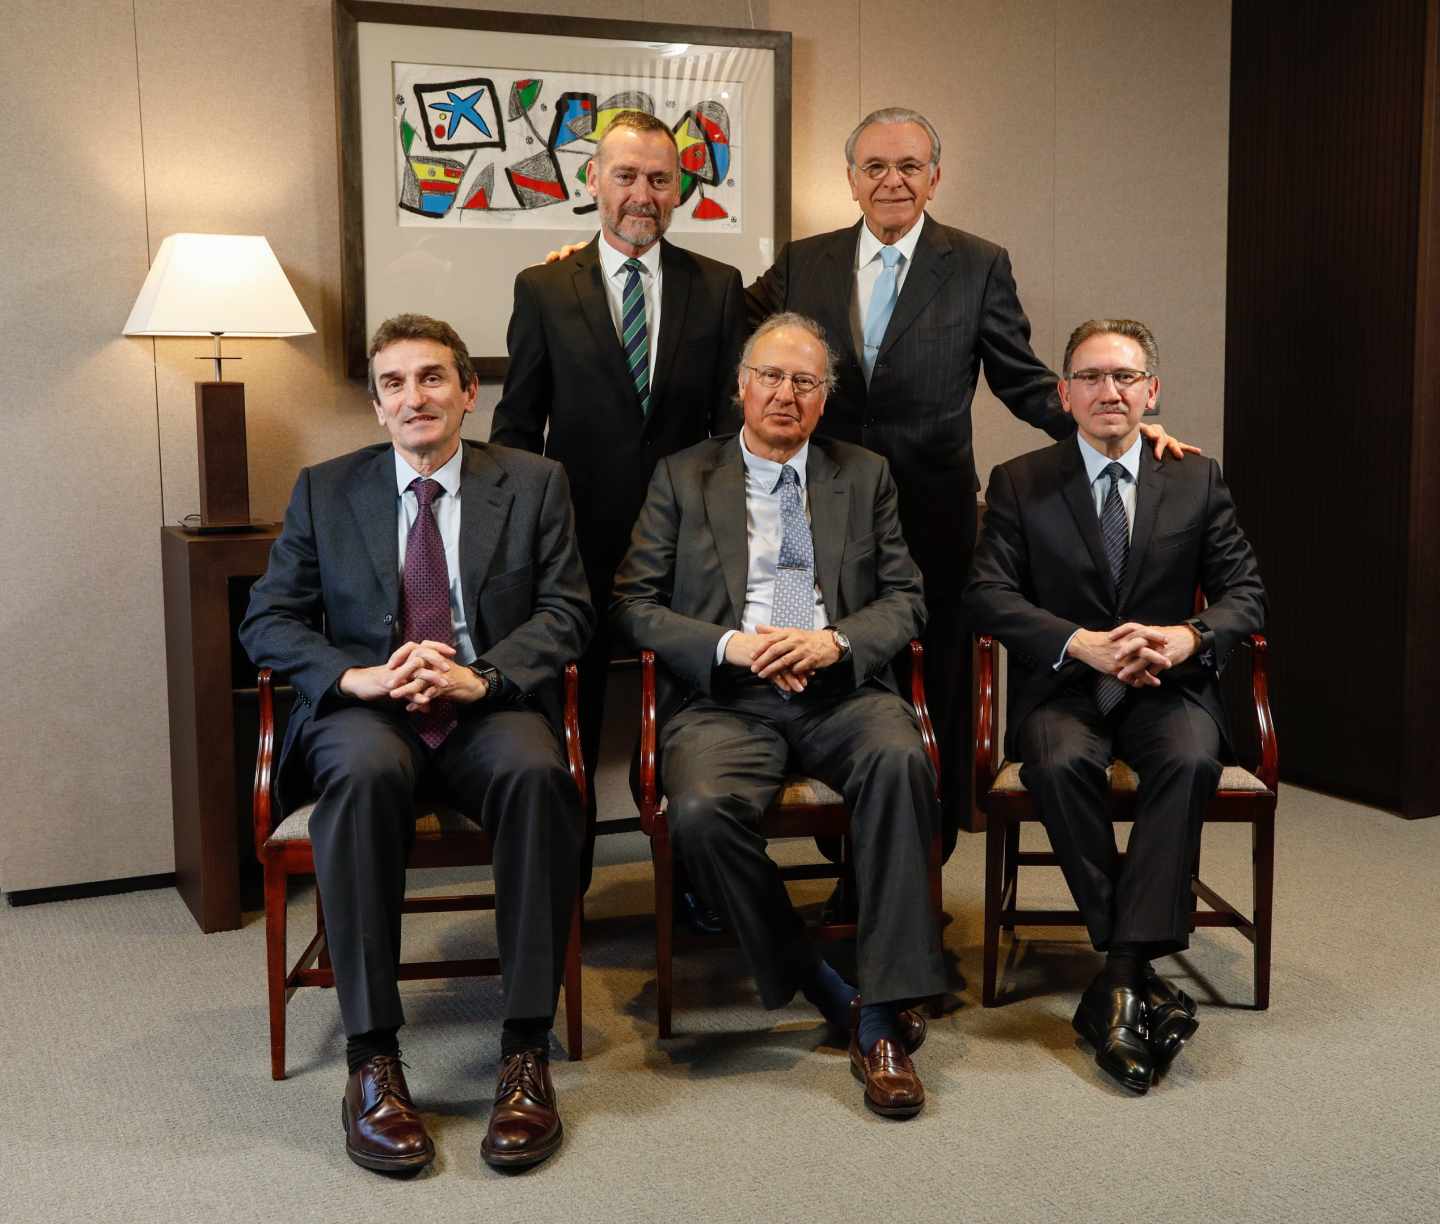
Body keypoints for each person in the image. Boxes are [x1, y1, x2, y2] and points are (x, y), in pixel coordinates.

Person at [744, 107, 1193, 862]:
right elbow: (721, 318)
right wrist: (594, 257)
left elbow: (1022, 380)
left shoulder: (978, 262)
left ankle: (925, 853)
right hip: (822, 508)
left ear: (935, 178)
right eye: (876, 167)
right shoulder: (803, 261)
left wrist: (1110, 428)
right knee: (837, 668)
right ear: (850, 179)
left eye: (910, 166)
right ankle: (845, 854)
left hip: (932, 512)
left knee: (938, 677)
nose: (893, 181)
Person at [240, 314, 594, 1172]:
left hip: (484, 702)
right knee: (360, 777)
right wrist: (353, 676)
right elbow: (268, 620)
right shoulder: (326, 490)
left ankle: (523, 1050)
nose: (415, 398)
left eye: (433, 378)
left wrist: (488, 677)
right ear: (375, 405)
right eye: (394, 384)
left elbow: (570, 612)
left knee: (538, 774)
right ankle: (373, 1061)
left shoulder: (535, 482)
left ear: (469, 393)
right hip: (372, 708)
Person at [612, 312, 945, 1118]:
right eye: (771, 376)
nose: (785, 394)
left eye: (805, 382)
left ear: (825, 399)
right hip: (729, 695)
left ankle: (883, 1020)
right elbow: (633, 603)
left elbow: (907, 598)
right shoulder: (683, 476)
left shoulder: (863, 474)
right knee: (698, 812)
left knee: (904, 761)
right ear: (740, 386)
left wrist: (834, 642)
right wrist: (729, 645)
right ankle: (825, 980)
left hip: (840, 691)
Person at [962, 319, 1266, 1094]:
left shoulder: (1196, 478)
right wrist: (1077, 642)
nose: (1109, 391)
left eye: (1125, 377)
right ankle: (1134, 968)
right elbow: (987, 596)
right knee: (1060, 763)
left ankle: (1119, 977)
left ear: (1151, 391)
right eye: (1091, 377)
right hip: (1065, 685)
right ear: (1063, 393)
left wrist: (1186, 637)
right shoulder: (1020, 480)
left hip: (1168, 686)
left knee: (1194, 757)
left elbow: (1246, 596)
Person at [491, 110, 746, 889]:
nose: (643, 194)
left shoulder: (718, 286)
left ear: (680, 191)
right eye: (627, 176)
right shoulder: (543, 286)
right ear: (592, 181)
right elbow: (515, 427)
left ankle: (694, 883)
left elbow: (731, 425)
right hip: (575, 542)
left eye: (660, 179)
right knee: (569, 714)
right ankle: (562, 887)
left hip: (689, 546)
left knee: (689, 713)